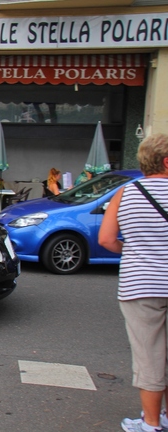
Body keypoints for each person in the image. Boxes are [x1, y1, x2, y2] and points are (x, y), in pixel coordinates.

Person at [98, 133, 168, 432]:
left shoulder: (125, 194)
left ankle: (151, 423)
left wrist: (133, 249)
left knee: (150, 355)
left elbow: (106, 239)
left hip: (140, 286)